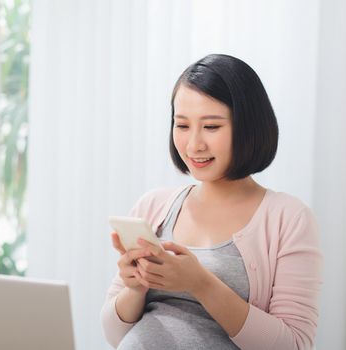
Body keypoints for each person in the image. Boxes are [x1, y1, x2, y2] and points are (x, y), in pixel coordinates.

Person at [100, 54, 322, 350]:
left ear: (249, 126)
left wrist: (200, 283)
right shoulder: (153, 206)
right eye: (182, 126)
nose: (194, 145)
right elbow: (114, 335)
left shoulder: (288, 218)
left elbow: (293, 345)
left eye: (212, 127)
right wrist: (136, 287)